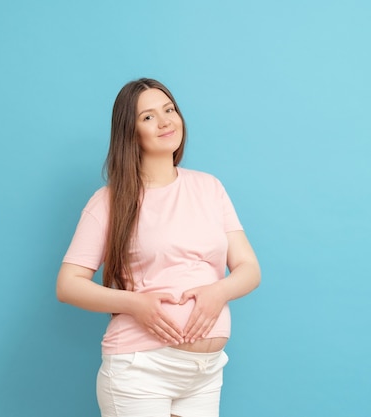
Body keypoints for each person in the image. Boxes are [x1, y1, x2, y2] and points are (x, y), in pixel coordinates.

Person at [56, 78, 261, 417]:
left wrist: (218, 293)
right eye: (148, 117)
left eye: (169, 110)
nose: (166, 121)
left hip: (204, 374)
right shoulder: (109, 201)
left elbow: (249, 269)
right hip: (140, 368)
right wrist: (136, 305)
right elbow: (68, 285)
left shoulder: (209, 187)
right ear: (130, 132)